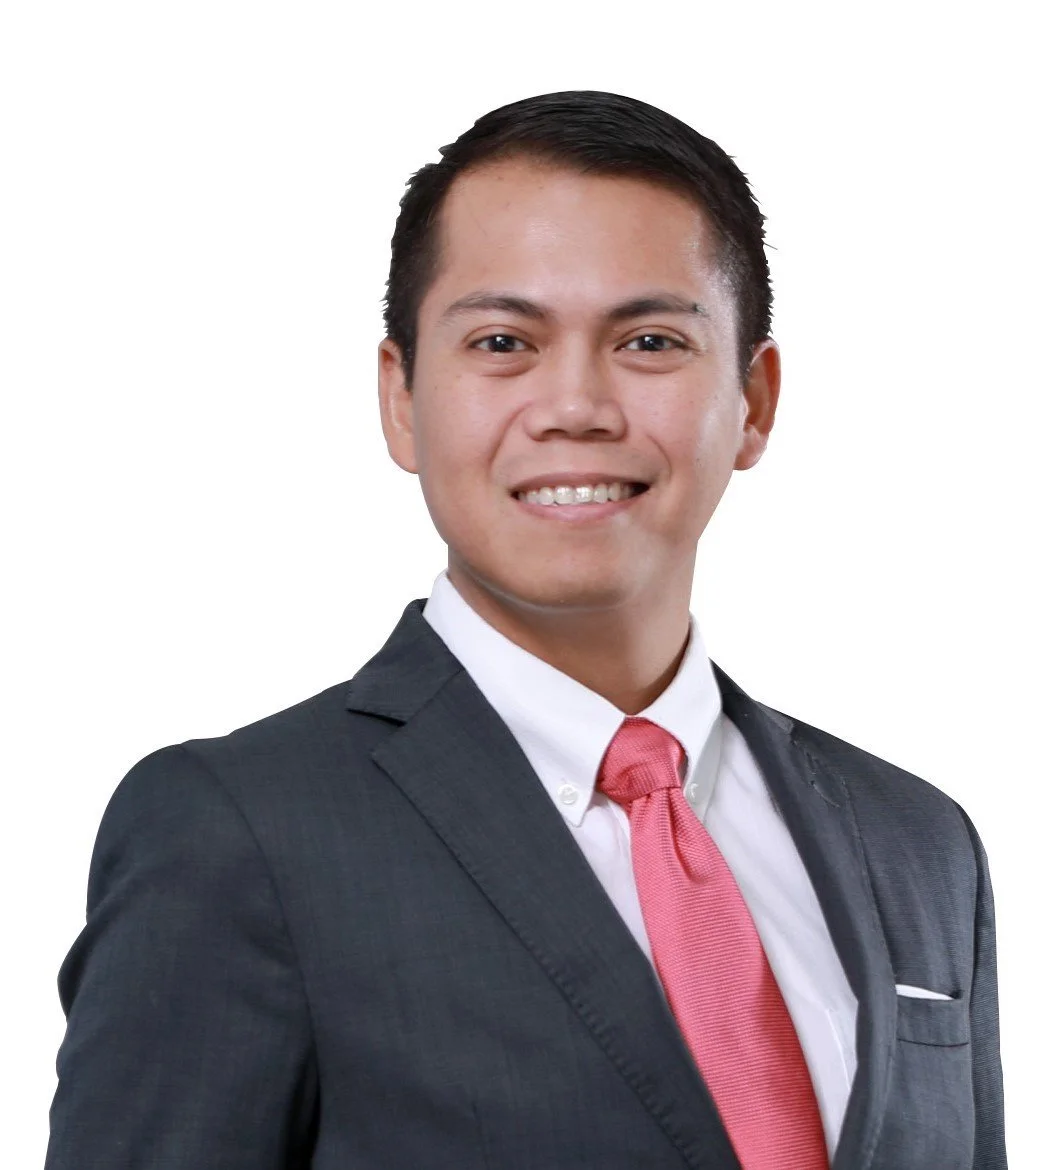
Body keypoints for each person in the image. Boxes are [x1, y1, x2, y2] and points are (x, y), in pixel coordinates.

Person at [45, 91, 1006, 1170]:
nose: (575, 405)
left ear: (754, 399)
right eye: (503, 341)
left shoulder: (918, 844)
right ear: (402, 399)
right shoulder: (236, 835)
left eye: (648, 340)